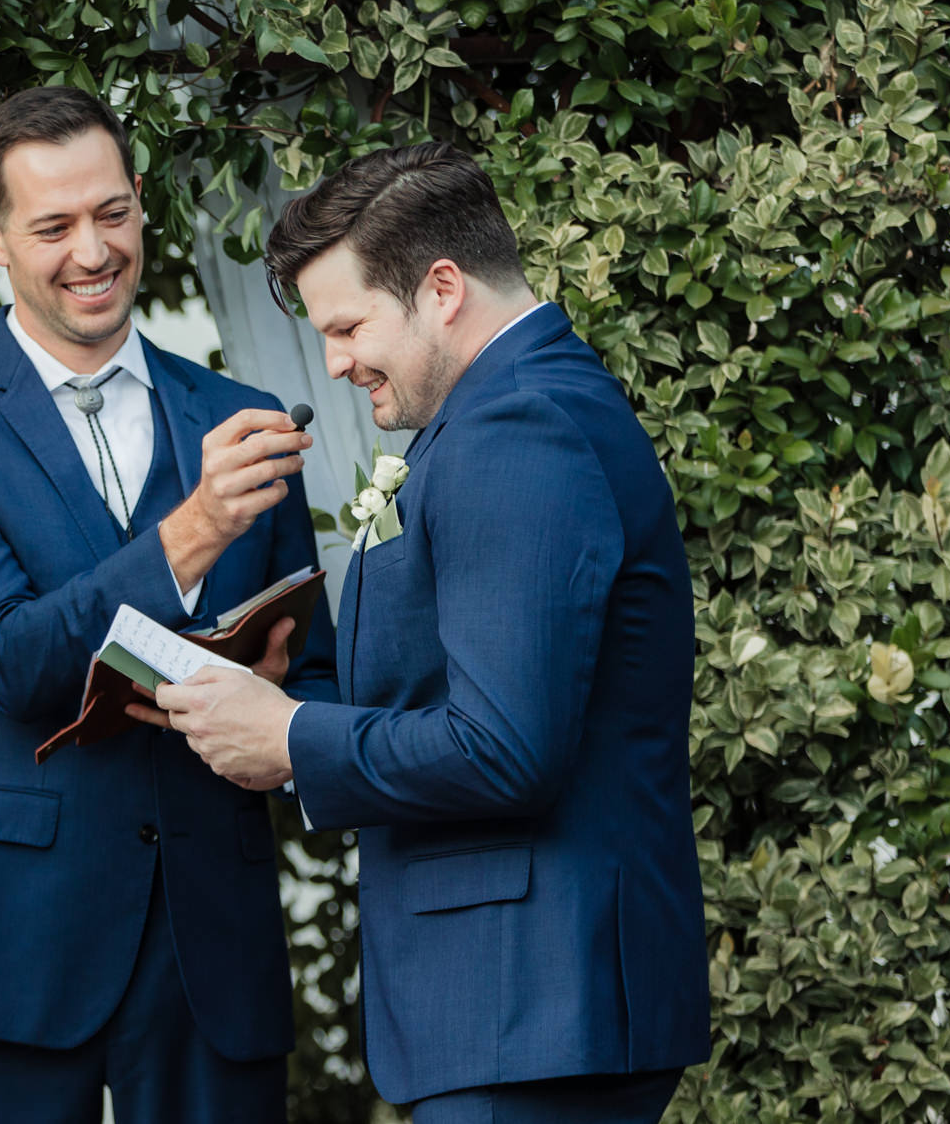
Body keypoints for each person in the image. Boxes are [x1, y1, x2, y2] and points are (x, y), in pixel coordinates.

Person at [149, 143, 711, 1122]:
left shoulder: (515, 427)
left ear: (440, 287)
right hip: (528, 1008)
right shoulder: (521, 407)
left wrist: (287, 737)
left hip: (525, 1010)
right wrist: (286, 701)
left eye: (348, 325)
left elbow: (502, 752)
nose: (333, 362)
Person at [0, 86, 337, 1123]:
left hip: (213, 942)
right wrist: (196, 528)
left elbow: (315, 670)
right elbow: (9, 658)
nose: (91, 251)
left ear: (140, 205)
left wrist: (279, 697)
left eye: (110, 214)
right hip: (5, 947)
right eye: (53, 226)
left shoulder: (243, 420)